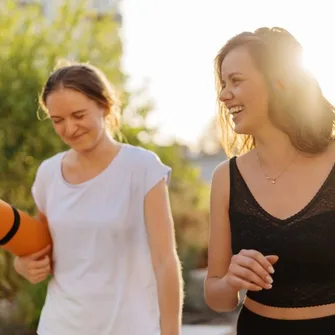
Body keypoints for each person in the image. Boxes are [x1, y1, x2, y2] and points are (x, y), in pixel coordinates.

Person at [13, 61, 183, 335]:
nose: (69, 128)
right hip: (60, 326)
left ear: (104, 105)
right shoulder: (48, 174)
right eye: (58, 120)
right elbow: (40, 249)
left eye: (78, 115)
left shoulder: (142, 167)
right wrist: (22, 265)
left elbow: (165, 261)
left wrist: (172, 332)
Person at [204, 26, 335, 334]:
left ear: (280, 82)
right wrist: (231, 280)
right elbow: (217, 296)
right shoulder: (226, 178)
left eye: (236, 81)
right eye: (223, 84)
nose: (223, 94)